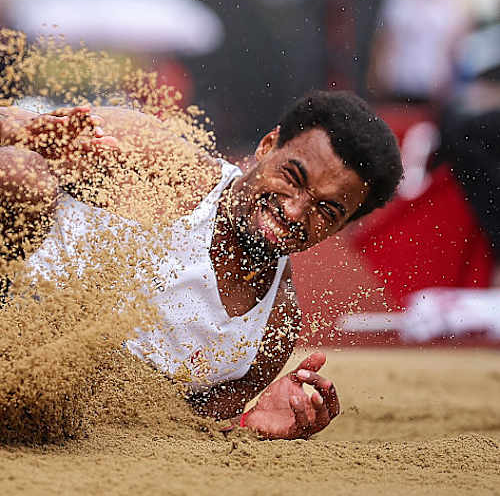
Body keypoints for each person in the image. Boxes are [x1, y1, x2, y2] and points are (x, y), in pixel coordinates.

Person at [0, 91, 402, 440]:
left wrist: (250, 426)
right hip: (13, 304)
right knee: (22, 174)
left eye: (326, 210)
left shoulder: (272, 330)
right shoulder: (161, 160)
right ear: (266, 147)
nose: (294, 211)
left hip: (39, 405)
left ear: (342, 228)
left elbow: (181, 429)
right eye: (292, 177)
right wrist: (29, 135)